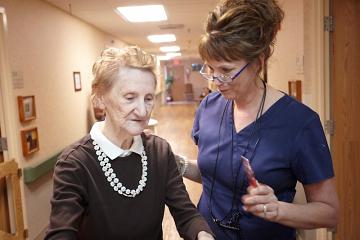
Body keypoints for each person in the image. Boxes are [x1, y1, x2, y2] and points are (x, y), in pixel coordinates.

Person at [178, 0, 339, 239]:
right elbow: (214, 173)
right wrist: (179, 164)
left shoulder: (299, 123)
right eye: (210, 70)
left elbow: (329, 213)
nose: (216, 81)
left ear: (258, 62)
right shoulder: (208, 108)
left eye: (226, 70)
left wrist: (277, 210)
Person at [45, 46, 214, 240]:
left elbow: (185, 213)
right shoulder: (75, 163)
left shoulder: (159, 151)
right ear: (99, 98)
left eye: (148, 98)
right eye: (130, 98)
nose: (142, 111)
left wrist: (202, 234)